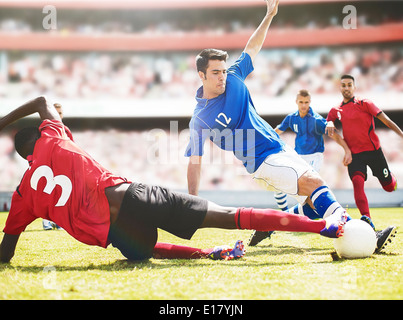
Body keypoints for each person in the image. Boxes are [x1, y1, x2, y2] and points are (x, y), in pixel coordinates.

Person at [0, 96, 349, 264]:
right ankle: (323, 227)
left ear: (22, 157)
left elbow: (6, 252)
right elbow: (43, 101)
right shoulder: (54, 136)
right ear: (41, 133)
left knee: (145, 250)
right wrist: (3, 121)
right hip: (130, 196)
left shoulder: (22, 196)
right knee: (226, 216)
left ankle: (207, 252)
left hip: (117, 235)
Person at [184, 0, 395, 251]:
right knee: (314, 182)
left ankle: (268, 224)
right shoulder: (200, 118)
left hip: (279, 149)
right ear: (201, 75)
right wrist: (193, 202)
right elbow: (194, 161)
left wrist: (269, 15)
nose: (222, 76)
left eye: (223, 70)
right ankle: (362, 235)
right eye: (216, 72)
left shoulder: (234, 77)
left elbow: (252, 48)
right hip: (261, 161)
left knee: (312, 203)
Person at [326, 74, 402, 234]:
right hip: (355, 155)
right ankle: (367, 219)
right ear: (340, 88)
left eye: (349, 85)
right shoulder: (335, 110)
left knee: (389, 188)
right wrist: (344, 146)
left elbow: (386, 120)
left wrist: (401, 134)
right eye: (343, 85)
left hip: (374, 152)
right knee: (357, 182)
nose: (346, 88)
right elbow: (330, 127)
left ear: (354, 87)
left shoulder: (365, 103)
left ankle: (391, 180)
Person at [273, 89, 352, 215]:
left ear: (310, 102)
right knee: (280, 186)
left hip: (314, 156)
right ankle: (286, 214)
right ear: (296, 102)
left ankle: (333, 213)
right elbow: (277, 130)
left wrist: (346, 150)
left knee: (308, 189)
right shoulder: (292, 118)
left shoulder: (316, 120)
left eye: (306, 102)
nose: (304, 105)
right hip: (297, 156)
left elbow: (335, 135)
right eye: (301, 102)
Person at [42, 103, 66, 231]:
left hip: (61, 165)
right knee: (48, 192)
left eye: (60, 113)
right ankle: (46, 221)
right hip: (48, 165)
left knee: (60, 192)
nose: (58, 115)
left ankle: (58, 221)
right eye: (56, 113)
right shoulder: (45, 129)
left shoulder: (65, 129)